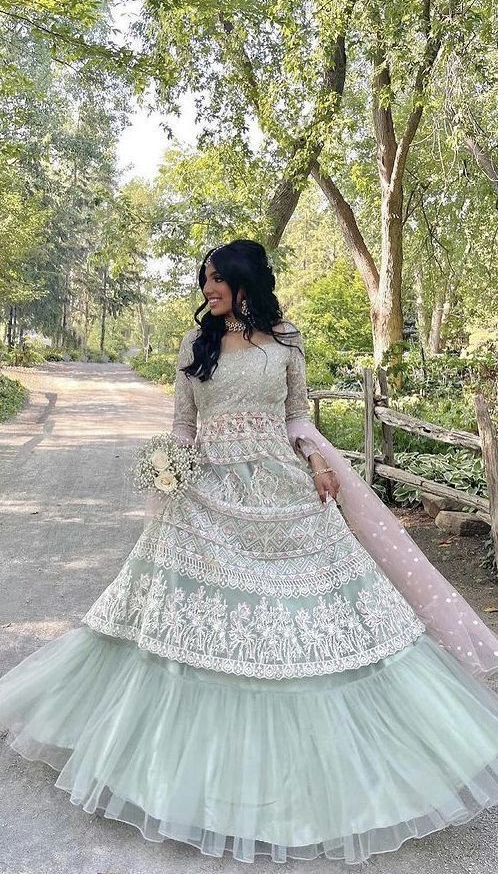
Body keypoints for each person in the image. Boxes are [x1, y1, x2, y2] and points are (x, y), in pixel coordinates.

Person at [0, 238, 497, 866]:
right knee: (184, 625)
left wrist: (318, 460)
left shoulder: (285, 340)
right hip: (205, 495)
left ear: (244, 283)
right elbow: (183, 423)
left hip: (281, 490)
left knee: (312, 618)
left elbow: (297, 416)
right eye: (203, 279)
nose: (207, 289)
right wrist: (170, 467)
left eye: (216, 279)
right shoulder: (195, 342)